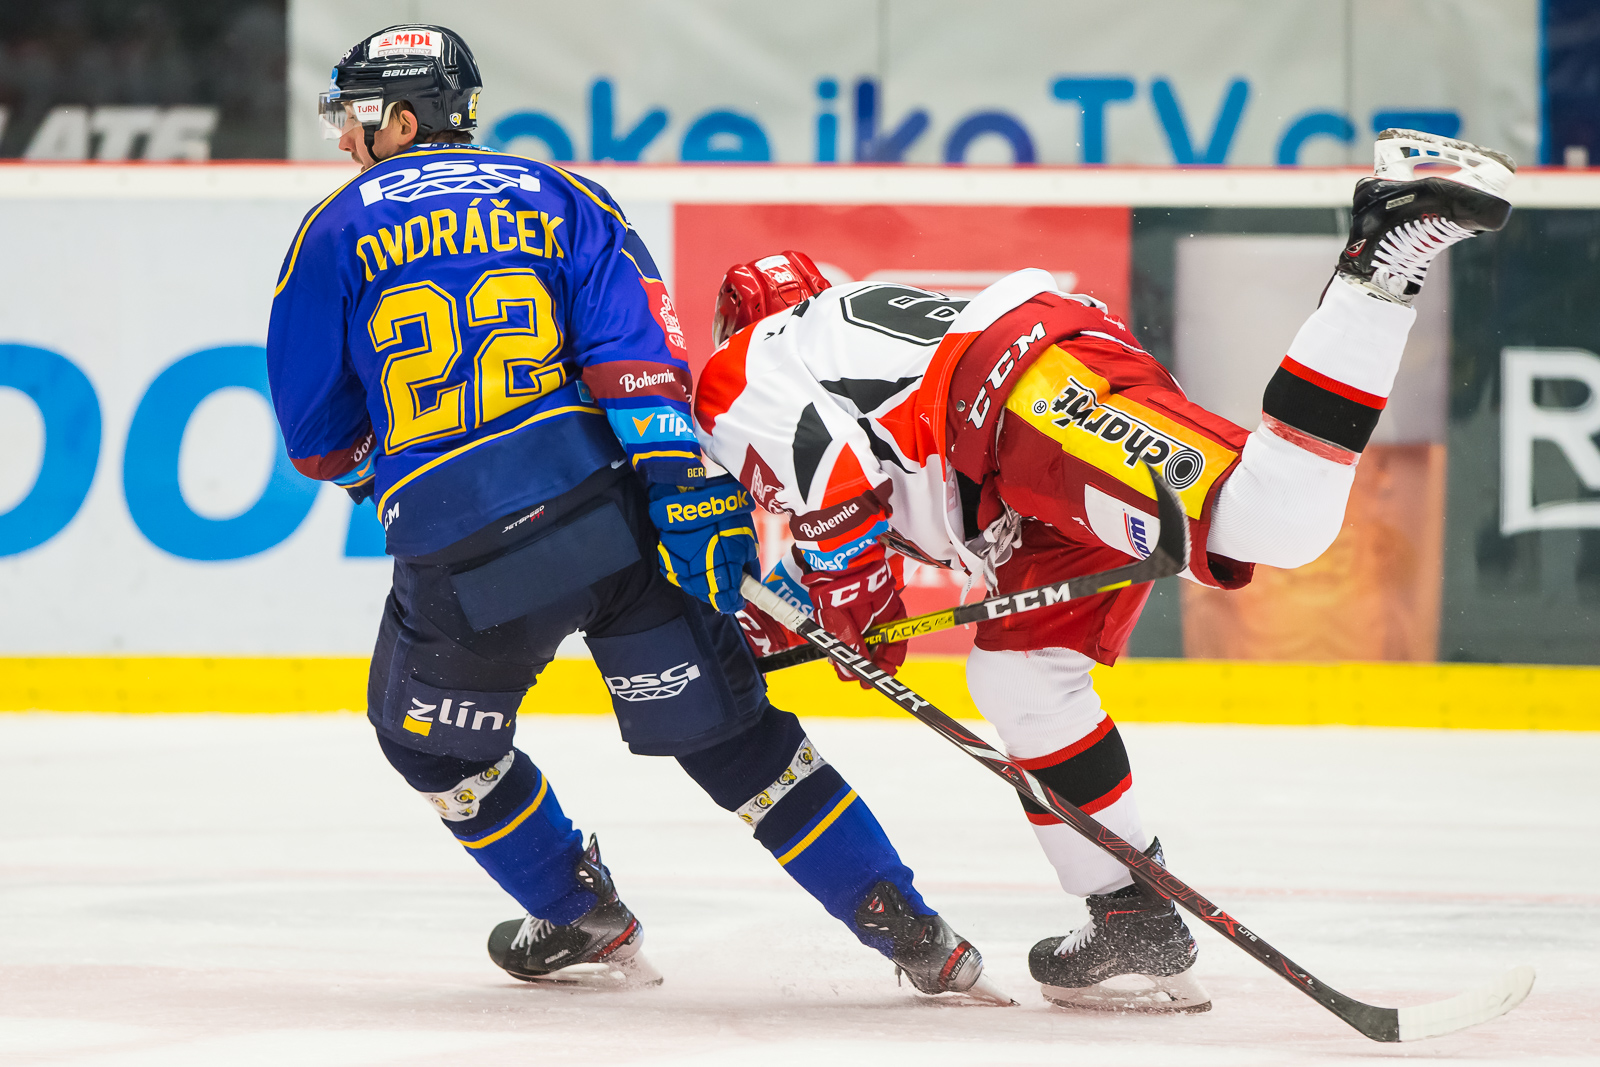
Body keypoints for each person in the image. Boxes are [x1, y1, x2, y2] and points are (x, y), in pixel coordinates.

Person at [265, 23, 1008, 1003]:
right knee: (736, 738)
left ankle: (578, 913)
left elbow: (316, 438)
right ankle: (915, 931)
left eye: (357, 115)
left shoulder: (329, 229)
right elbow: (636, 361)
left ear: (402, 120)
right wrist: (680, 487)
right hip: (609, 523)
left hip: (466, 557)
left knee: (431, 743)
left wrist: (400, 479)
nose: (345, 137)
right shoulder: (559, 193)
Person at [690, 130, 1514, 1012]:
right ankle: (1130, 918)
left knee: (1275, 516)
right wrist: (808, 624)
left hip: (1016, 402)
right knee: (1021, 677)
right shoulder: (845, 336)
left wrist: (855, 615)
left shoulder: (745, 367)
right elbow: (824, 556)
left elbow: (830, 476)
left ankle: (1382, 254)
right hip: (1019, 466)